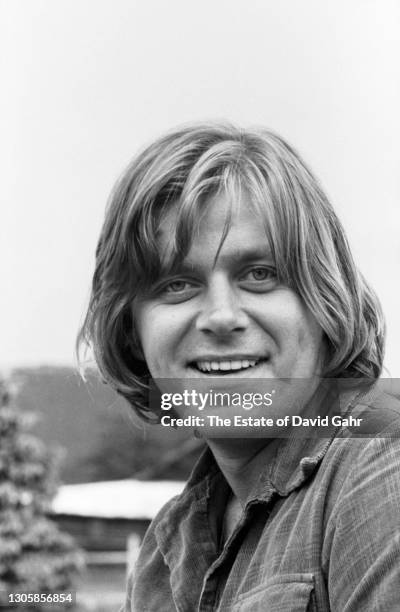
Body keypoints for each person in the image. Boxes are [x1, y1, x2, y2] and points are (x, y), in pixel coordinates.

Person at [78, 123, 400, 611]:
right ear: (132, 331)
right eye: (177, 284)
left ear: (325, 302)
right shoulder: (165, 551)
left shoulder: (380, 466)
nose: (222, 317)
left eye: (260, 275)